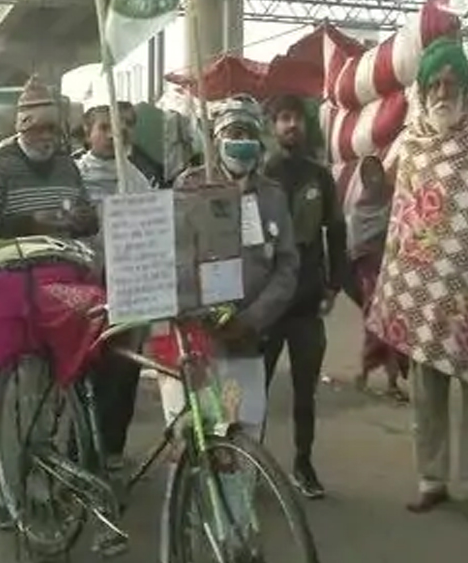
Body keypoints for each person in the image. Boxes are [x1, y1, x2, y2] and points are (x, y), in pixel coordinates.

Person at [366, 37, 468, 523]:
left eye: (452, 81)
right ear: (423, 88)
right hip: (423, 295)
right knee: (427, 394)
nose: (444, 90)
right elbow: (396, 209)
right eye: (435, 82)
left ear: (467, 85)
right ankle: (431, 479)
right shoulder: (412, 142)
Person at [166, 94, 298, 558]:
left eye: (247, 135)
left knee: (241, 437)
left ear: (258, 143)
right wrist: (201, 315)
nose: (239, 144)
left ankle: (238, 536)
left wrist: (252, 320)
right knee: (196, 440)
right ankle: (192, 528)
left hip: (246, 341)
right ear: (215, 139)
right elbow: (176, 259)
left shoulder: (273, 197)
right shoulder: (189, 188)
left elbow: (287, 268)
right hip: (195, 342)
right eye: (231, 135)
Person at [0, 75, 98, 529]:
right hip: (15, 293)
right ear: (21, 128)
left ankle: (43, 484)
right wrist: (30, 220)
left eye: (51, 130)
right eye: (37, 129)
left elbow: (84, 220)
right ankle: (8, 495)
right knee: (18, 397)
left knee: (54, 396)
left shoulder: (67, 167)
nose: (45, 138)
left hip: (62, 292)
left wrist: (83, 219)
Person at [260, 94, 346, 500]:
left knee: (304, 392)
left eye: (297, 118)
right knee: (251, 390)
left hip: (308, 302)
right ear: (274, 126)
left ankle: (303, 464)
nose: (292, 125)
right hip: (266, 305)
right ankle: (245, 466)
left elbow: (337, 230)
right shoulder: (261, 176)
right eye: (284, 118)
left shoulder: (320, 177)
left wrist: (335, 283)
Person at [75, 102, 151, 471]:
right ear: (88, 132)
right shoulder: (73, 177)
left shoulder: (138, 180)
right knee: (83, 372)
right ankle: (79, 449)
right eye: (104, 127)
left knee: (124, 373)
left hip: (129, 291)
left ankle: (113, 450)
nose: (112, 135)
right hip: (84, 291)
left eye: (121, 128)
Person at [347, 156, 408, 401]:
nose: (373, 178)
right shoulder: (361, 206)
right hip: (369, 275)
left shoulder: (393, 197)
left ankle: (392, 382)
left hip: (393, 273)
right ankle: (364, 373)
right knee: (374, 325)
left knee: (394, 328)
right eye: (368, 175)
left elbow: (403, 227)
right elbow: (357, 243)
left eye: (376, 173)